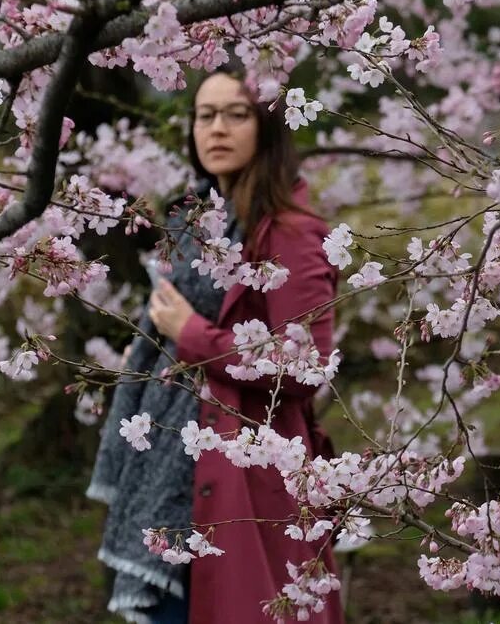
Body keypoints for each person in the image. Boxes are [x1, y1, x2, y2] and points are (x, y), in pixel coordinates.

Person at [87, 65, 343, 624]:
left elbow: (304, 367)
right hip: (169, 466)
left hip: (242, 476)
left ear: (267, 129)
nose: (217, 129)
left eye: (236, 114)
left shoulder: (290, 234)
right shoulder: (195, 222)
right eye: (206, 116)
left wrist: (193, 335)